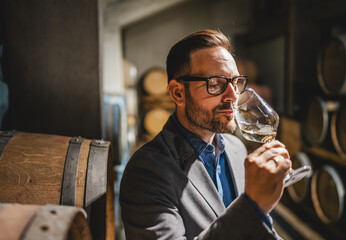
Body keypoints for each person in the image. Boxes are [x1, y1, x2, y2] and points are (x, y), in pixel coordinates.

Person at [120, 29, 291, 239]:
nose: (233, 95)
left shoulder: (236, 148)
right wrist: (253, 207)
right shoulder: (146, 172)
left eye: (235, 82)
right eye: (216, 84)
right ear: (178, 93)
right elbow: (249, 217)